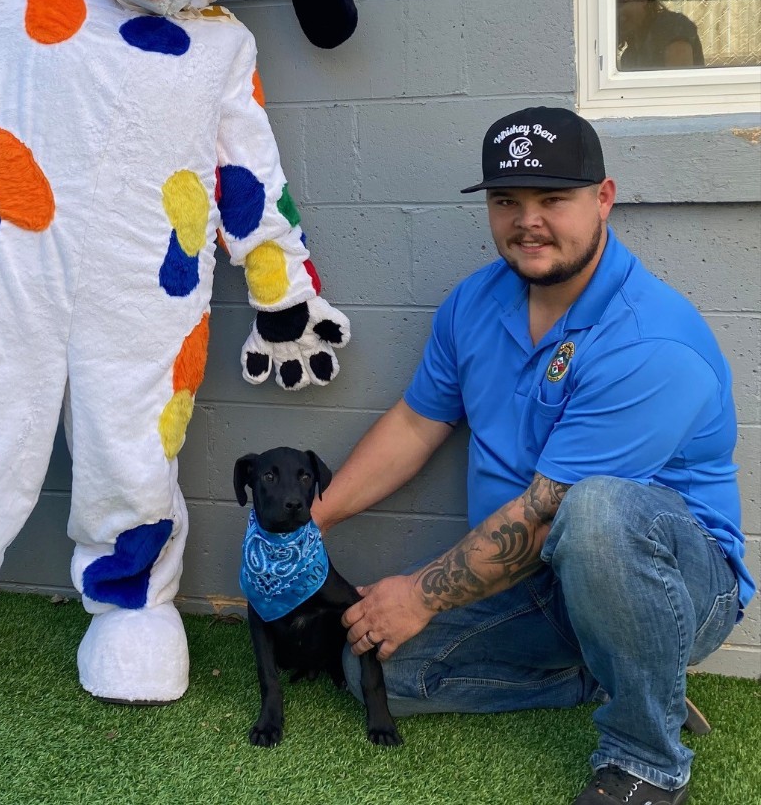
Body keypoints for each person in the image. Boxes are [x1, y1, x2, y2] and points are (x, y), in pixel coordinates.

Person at [312, 106, 753, 805]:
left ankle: (645, 761)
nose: (528, 221)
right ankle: (612, 670)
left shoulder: (650, 341)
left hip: (674, 585)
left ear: (603, 199)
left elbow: (547, 515)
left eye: (554, 199)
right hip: (534, 580)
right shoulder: (474, 303)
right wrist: (315, 521)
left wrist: (418, 595)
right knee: (373, 668)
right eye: (507, 201)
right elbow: (417, 423)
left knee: (597, 509)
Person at [616, 0, 704, 69]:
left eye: (620, 2)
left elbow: (679, 80)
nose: (616, 11)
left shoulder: (671, 26)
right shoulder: (629, 56)